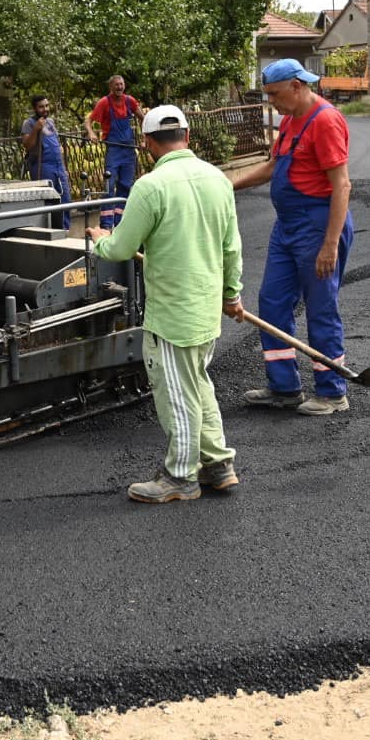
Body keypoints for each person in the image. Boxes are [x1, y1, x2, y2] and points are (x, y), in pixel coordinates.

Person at [87, 105, 242, 503]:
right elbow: (231, 247)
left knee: (177, 393)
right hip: (206, 309)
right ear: (187, 136)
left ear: (147, 143)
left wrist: (98, 238)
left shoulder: (151, 186)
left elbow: (121, 248)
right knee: (198, 386)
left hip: (173, 315)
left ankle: (180, 477)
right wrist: (231, 294)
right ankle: (219, 466)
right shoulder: (217, 180)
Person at [229, 58, 354, 416]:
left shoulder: (326, 121)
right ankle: (284, 387)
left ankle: (332, 392)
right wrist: (228, 184)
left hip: (317, 227)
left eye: (274, 93)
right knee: (271, 302)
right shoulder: (289, 122)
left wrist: (330, 244)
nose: (271, 101)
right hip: (286, 227)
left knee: (320, 307)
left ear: (298, 85)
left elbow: (341, 185)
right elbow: (272, 167)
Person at [86, 75, 142, 229]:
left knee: (125, 186)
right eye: (116, 84)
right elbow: (88, 121)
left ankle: (120, 223)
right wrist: (91, 133)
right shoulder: (104, 102)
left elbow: (144, 118)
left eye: (122, 84)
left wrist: (145, 137)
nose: (120, 87)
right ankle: (106, 225)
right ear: (111, 87)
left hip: (129, 150)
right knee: (109, 185)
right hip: (114, 149)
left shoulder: (130, 101)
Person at [20, 95, 71, 229]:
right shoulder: (29, 123)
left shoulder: (50, 122)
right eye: (41, 107)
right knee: (48, 201)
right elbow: (28, 146)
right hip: (42, 166)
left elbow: (57, 146)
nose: (45, 109)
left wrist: (64, 168)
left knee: (65, 199)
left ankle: (65, 231)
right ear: (35, 108)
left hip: (58, 166)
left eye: (46, 106)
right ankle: (49, 232)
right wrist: (36, 129)